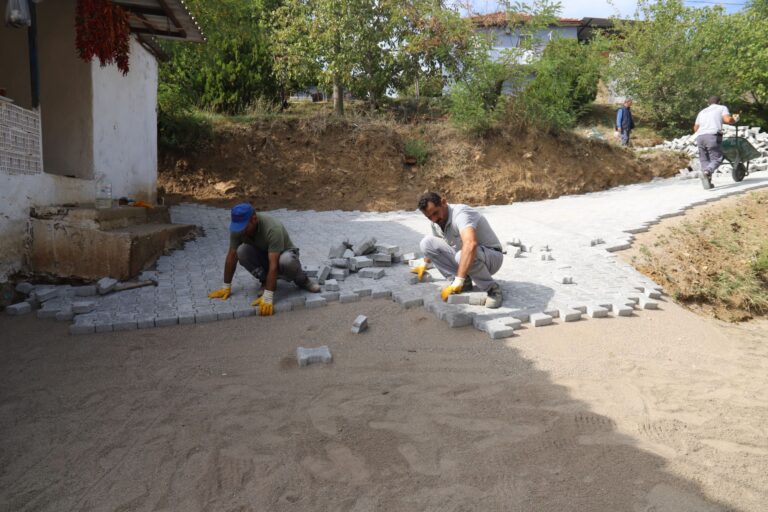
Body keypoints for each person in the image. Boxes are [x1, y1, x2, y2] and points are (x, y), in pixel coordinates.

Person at [208, 203, 320, 316]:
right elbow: (231, 256)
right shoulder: (239, 228)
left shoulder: (272, 228)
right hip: (264, 254)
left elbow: (274, 265)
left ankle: (303, 280)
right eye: (238, 227)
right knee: (241, 251)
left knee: (287, 261)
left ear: (254, 219)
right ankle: (266, 281)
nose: (241, 231)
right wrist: (226, 286)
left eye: (244, 227)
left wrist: (268, 296)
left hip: (283, 255)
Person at [412, 192, 504, 308]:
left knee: (462, 254)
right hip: (465, 257)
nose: (434, 219)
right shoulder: (436, 222)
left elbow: (471, 244)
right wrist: (424, 263)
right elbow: (437, 242)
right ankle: (465, 282)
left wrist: (458, 280)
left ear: (444, 202)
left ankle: (492, 289)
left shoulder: (461, 214)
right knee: (426, 243)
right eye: (429, 217)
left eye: (435, 213)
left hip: (491, 257)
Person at [694, 96, 739, 189]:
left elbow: (695, 128)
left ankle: (707, 181)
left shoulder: (702, 112)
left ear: (708, 103)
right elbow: (727, 120)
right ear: (719, 102)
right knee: (717, 158)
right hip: (712, 135)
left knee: (704, 159)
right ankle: (707, 172)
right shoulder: (722, 108)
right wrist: (734, 119)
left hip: (700, 137)